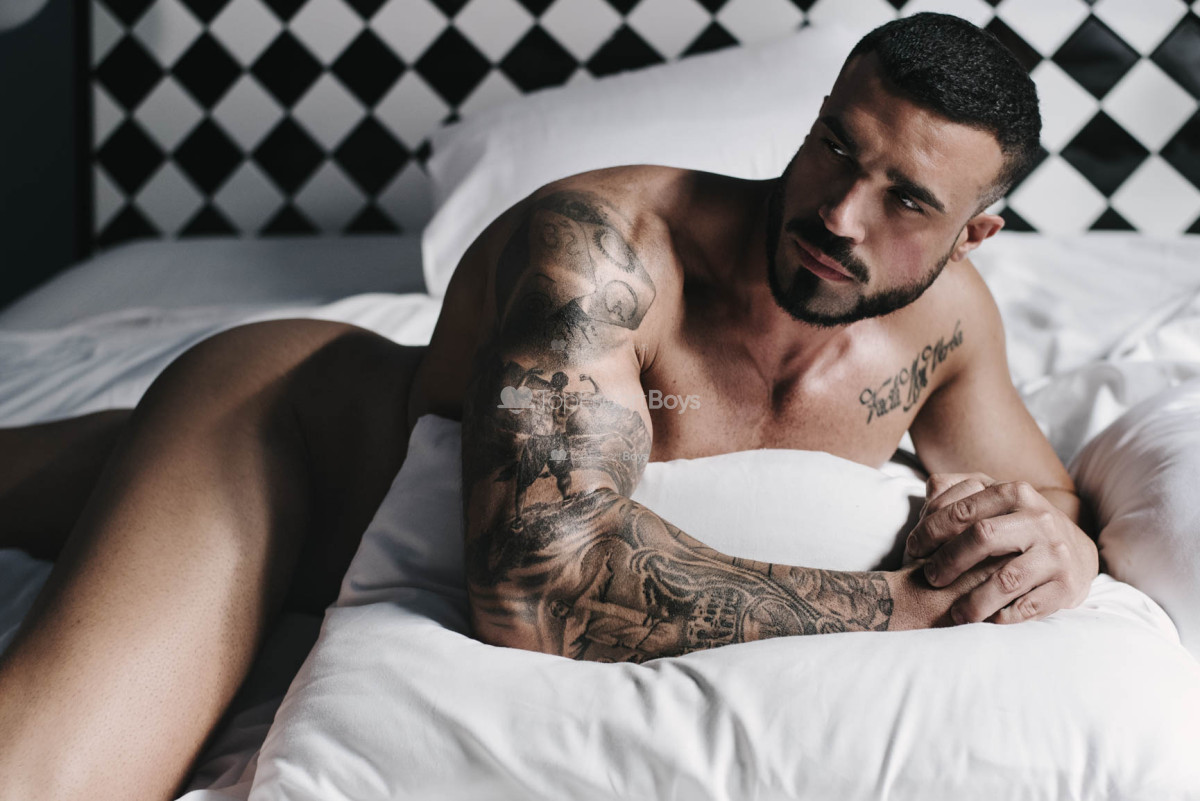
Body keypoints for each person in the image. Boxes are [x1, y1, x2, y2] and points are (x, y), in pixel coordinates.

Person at [0, 12, 1098, 800]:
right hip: (277, 444)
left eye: (907, 200)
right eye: (835, 149)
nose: (843, 215)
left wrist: (1062, 547)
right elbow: (536, 587)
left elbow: (1039, 496)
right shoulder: (603, 248)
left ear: (972, 235)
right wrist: (900, 605)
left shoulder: (949, 324)